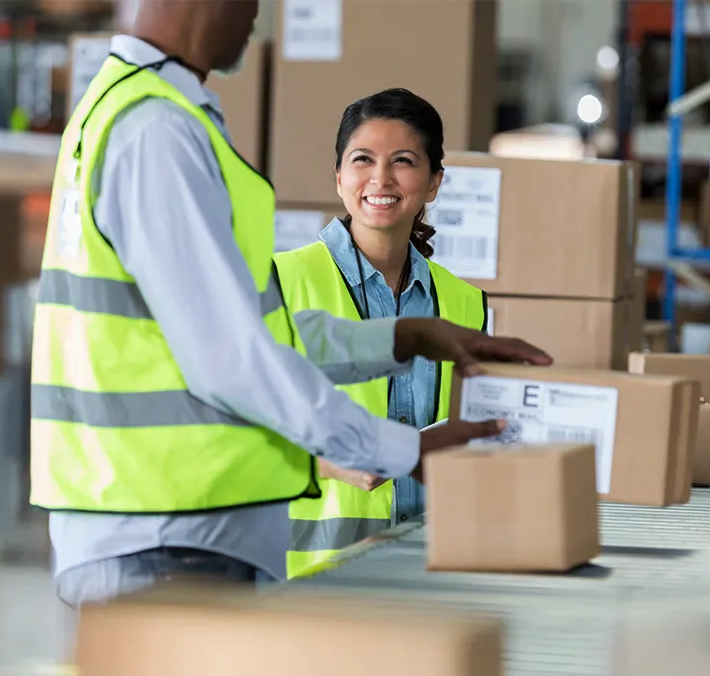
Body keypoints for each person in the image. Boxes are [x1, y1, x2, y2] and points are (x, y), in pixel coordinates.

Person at [30, 0, 551, 608]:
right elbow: (232, 356)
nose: (258, 15)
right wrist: (403, 451)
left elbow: (244, 334)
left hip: (167, 524)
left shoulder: (129, 112)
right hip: (168, 527)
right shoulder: (156, 129)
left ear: (435, 181)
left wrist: (402, 337)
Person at [275, 89, 485, 578]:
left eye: (404, 161)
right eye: (362, 159)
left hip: (432, 568)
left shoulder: (465, 304)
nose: (381, 178)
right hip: (308, 577)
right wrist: (327, 464)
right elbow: (227, 427)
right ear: (339, 176)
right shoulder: (279, 282)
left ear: (434, 183)